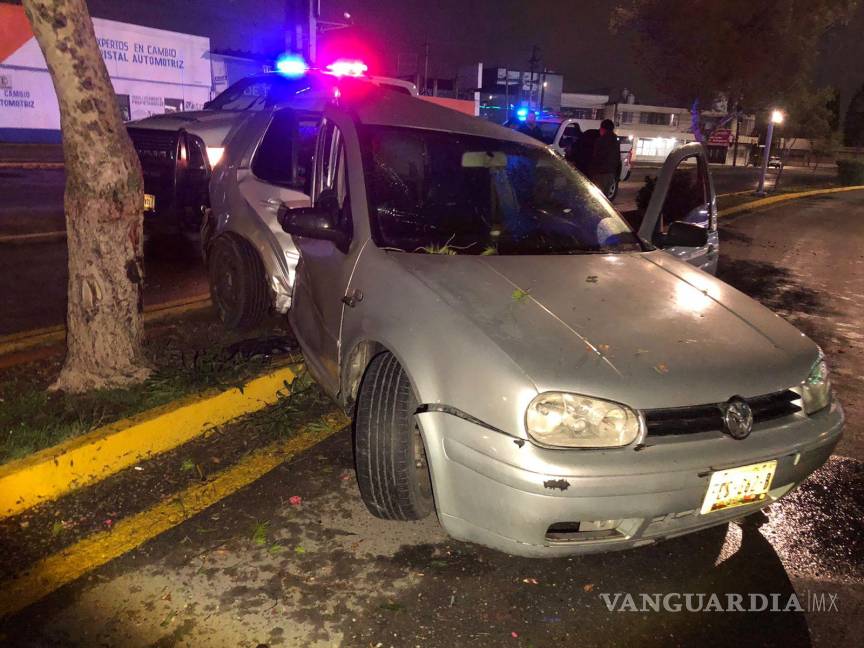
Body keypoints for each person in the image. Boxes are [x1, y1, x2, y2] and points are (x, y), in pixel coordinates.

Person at [589, 118, 621, 196]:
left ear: (603, 129)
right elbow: (617, 158)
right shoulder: (616, 140)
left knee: (597, 198)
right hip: (611, 174)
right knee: (605, 198)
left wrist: (591, 171)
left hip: (600, 174)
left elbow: (596, 157)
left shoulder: (600, 140)